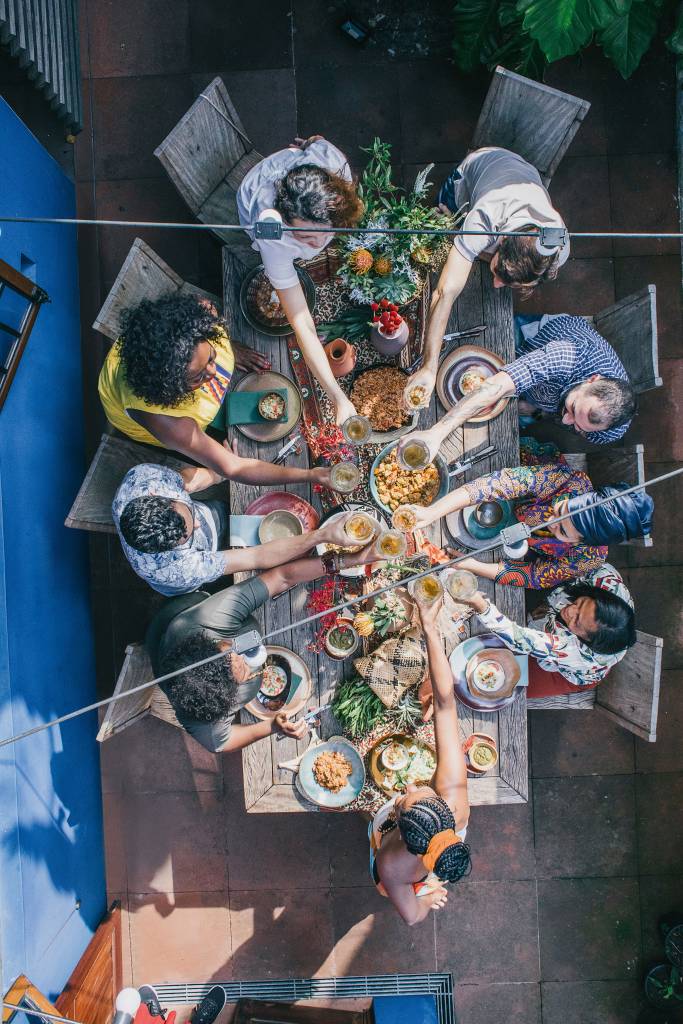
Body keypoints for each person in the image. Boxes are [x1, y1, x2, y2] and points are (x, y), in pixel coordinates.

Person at [145, 538, 376, 754]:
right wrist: (271, 727)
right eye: (241, 673)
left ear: (207, 642)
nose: (241, 656)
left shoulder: (204, 621)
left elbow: (283, 577)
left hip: (176, 619)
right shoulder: (202, 717)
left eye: (229, 651)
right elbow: (222, 743)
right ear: (227, 696)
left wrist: (350, 560)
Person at [98, 292, 335, 489]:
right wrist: (311, 475)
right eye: (198, 377)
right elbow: (234, 468)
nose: (212, 373)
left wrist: (230, 347)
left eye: (212, 356)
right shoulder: (168, 423)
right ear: (171, 389)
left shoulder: (200, 314)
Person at [405, 146, 569, 409]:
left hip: (521, 177)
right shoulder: (484, 218)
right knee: (442, 218)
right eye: (497, 272)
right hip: (480, 168)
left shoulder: (557, 249)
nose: (495, 285)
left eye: (508, 282)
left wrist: (479, 254)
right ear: (500, 239)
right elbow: (445, 293)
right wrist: (429, 366)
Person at [237, 134, 364, 424]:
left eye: (326, 230)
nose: (317, 242)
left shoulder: (335, 164)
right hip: (253, 195)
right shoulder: (273, 235)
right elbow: (302, 323)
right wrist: (338, 397)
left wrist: (312, 144)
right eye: (305, 236)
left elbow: (321, 143)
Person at [410, 439, 654, 589]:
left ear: (581, 542)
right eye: (561, 510)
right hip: (520, 495)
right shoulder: (571, 483)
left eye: (562, 529)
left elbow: (534, 577)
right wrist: (432, 512)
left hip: (517, 543)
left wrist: (472, 565)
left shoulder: (589, 558)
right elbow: (501, 483)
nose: (552, 520)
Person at [404, 313, 636, 459]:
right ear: (592, 379)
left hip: (543, 400)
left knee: (510, 422)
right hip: (537, 340)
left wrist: (538, 411)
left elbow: (567, 417)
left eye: (579, 427)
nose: (567, 421)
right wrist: (437, 433)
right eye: (573, 409)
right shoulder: (566, 355)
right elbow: (495, 387)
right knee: (498, 334)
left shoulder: (607, 432)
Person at [369, 595, 471, 925]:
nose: (412, 783)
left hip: (415, 874)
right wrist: (429, 627)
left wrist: (427, 896)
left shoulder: (392, 864)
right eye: (424, 791)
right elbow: (445, 703)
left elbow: (413, 917)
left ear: (398, 824)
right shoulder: (453, 800)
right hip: (437, 852)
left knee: (367, 816)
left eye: (406, 799)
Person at [113, 464, 363, 596]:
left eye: (189, 517)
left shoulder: (142, 480)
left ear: (159, 496)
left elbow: (184, 479)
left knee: (214, 512)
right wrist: (321, 535)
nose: (197, 523)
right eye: (187, 536)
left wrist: (221, 471)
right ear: (172, 548)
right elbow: (254, 557)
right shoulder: (182, 568)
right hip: (184, 577)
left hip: (206, 515)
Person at [455, 564, 635, 698]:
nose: (570, 611)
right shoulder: (606, 579)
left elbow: (522, 639)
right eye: (580, 604)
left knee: (499, 688)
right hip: (550, 618)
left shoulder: (578, 654)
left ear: (587, 639)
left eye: (577, 621)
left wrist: (481, 606)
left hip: (564, 673)